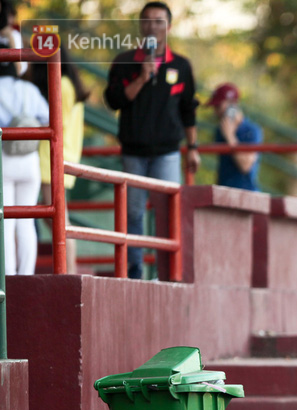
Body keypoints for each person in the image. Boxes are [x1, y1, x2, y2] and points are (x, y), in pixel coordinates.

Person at [104, 1, 200, 279]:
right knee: (132, 212)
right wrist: (142, 76)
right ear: (140, 25)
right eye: (147, 20)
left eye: (159, 21)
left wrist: (192, 148)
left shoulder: (181, 65)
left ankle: (166, 272)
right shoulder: (124, 62)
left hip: (168, 152)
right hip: (133, 151)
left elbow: (188, 110)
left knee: (168, 213)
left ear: (168, 26)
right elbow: (113, 100)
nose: (152, 26)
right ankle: (133, 271)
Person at [31, 46, 89, 274]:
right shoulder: (70, 83)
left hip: (51, 157)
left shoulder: (61, 84)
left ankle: (68, 272)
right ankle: (68, 270)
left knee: (57, 219)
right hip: (62, 154)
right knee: (53, 217)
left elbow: (55, 122)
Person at [0, 51, 50, 275]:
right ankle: (26, 273)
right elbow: (48, 118)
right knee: (26, 222)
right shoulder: (30, 90)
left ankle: (8, 274)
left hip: (4, 159)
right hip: (30, 160)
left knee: (6, 222)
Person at [208, 82, 262, 191]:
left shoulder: (251, 130)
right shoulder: (220, 131)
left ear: (232, 104)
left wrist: (230, 136)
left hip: (246, 193)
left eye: (218, 106)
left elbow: (245, 166)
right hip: (224, 191)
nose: (216, 112)